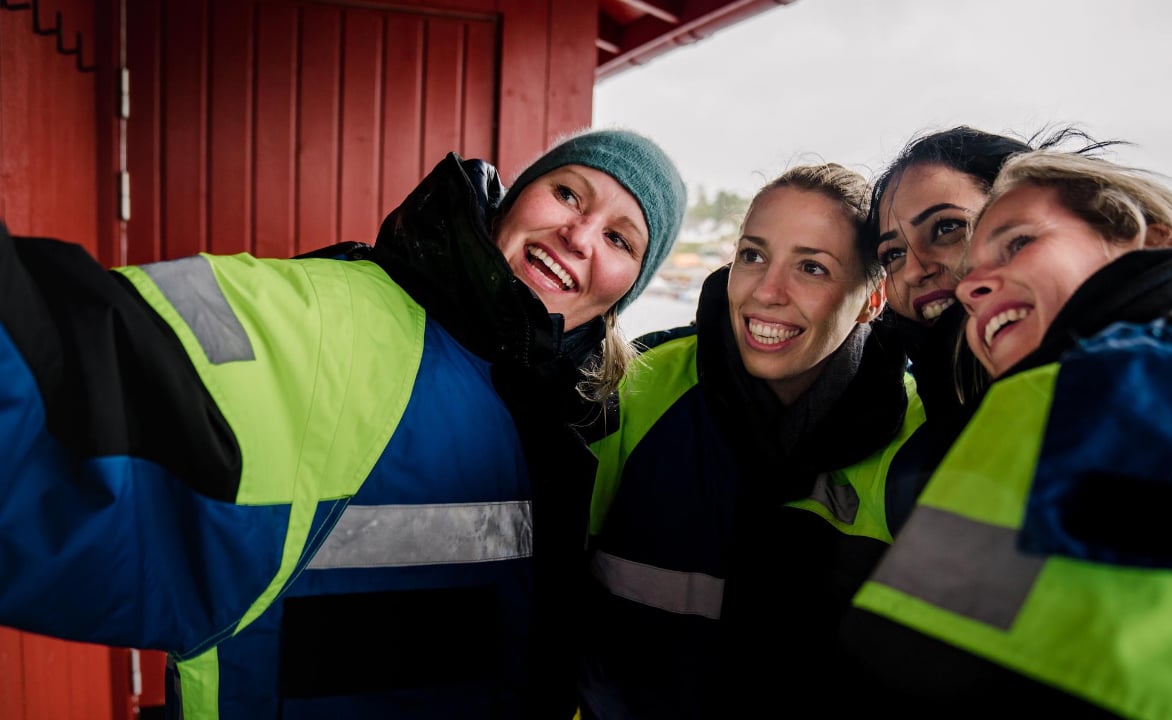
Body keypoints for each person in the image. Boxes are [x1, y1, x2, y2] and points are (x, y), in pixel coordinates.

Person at [0, 128, 685, 720]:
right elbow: (70, 379)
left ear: (628, 287)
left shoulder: (583, 422)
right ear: (516, 197)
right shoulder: (337, 328)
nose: (579, 236)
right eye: (567, 193)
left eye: (619, 238)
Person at [847, 150, 1172, 718]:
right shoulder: (1029, 410)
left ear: (1151, 241)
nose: (967, 286)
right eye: (892, 255)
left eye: (1017, 243)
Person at [578, 163, 923, 718]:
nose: (767, 291)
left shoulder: (915, 434)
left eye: (812, 267)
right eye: (753, 255)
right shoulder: (638, 386)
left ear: (872, 300)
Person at [866, 126, 1036, 533]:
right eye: (893, 253)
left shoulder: (1133, 390)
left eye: (946, 228)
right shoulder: (889, 436)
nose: (914, 270)